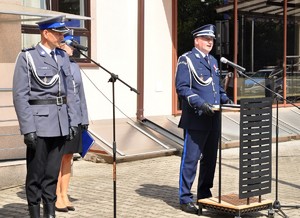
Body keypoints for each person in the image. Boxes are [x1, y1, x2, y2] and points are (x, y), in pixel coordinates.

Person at [12, 15, 78, 218]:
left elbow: (70, 92)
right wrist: (28, 128)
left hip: (60, 124)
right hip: (39, 124)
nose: (61, 36)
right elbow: (20, 95)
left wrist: (73, 121)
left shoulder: (62, 56)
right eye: (58, 33)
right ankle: (34, 213)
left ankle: (50, 213)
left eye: (62, 33)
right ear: (46, 33)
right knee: (36, 175)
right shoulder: (27, 57)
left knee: (51, 173)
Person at [175, 24, 232, 214]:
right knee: (190, 160)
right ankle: (185, 198)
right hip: (197, 118)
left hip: (213, 118)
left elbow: (218, 88)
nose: (210, 42)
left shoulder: (214, 61)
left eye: (212, 39)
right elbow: (182, 88)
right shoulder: (186, 60)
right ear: (196, 40)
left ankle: (204, 194)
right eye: (206, 39)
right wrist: (200, 104)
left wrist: (227, 101)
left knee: (210, 159)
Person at [55, 31, 89, 213]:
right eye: (69, 43)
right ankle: (55, 196)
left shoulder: (75, 65)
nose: (73, 47)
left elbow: (80, 95)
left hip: (75, 118)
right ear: (61, 44)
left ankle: (65, 193)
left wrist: (85, 119)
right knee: (58, 157)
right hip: (60, 118)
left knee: (68, 157)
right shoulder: (56, 63)